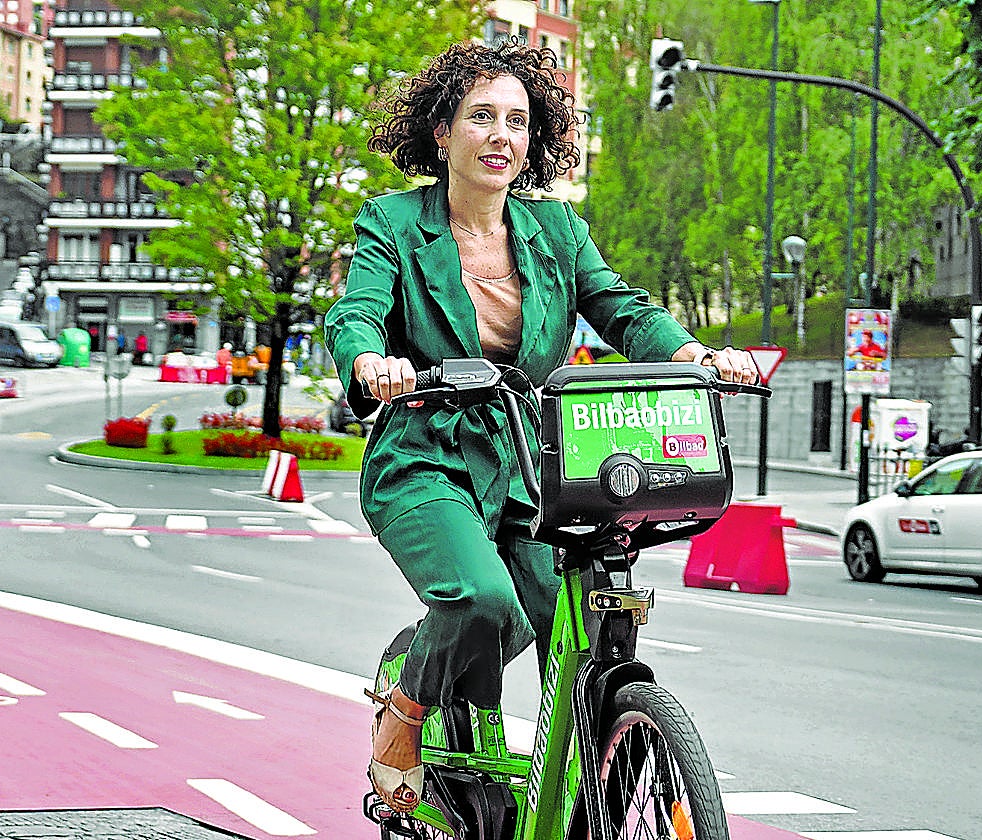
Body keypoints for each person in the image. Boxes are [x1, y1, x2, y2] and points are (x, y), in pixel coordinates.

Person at [322, 38, 757, 814]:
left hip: (529, 460)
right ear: (441, 133)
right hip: (427, 454)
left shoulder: (555, 230)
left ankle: (585, 775)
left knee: (565, 617)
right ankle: (409, 708)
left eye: (517, 122)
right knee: (482, 601)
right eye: (480, 116)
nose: (500, 136)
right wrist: (370, 362)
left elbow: (622, 309)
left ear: (534, 139)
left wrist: (696, 354)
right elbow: (356, 311)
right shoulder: (392, 222)